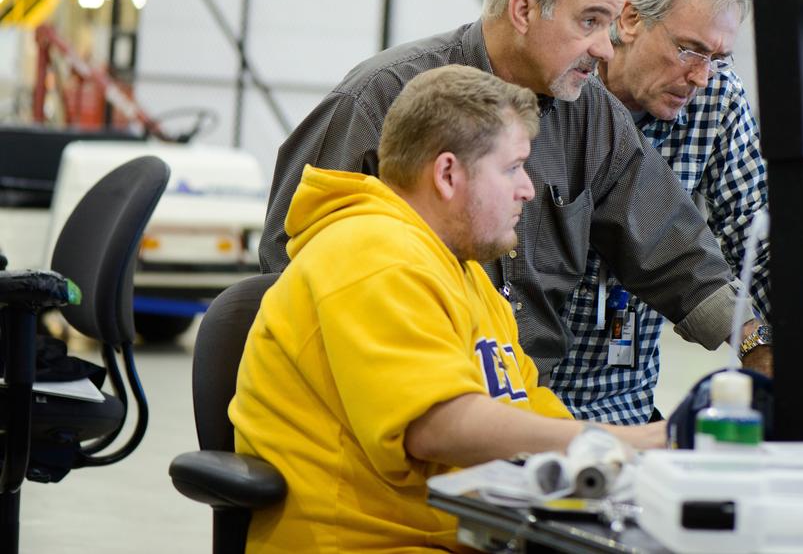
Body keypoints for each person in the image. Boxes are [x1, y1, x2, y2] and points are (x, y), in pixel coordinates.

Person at [258, 0, 768, 382]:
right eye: (590, 22)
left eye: (607, 26)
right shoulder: (381, 97)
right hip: (399, 386)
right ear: (523, 11)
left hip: (521, 396)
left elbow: (669, 241)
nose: (605, 49)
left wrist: (754, 342)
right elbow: (292, 259)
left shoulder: (588, 112)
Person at [231, 65, 665, 553]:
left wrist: (635, 451)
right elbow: (439, 427)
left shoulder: (462, 273)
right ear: (447, 173)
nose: (527, 189)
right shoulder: (372, 255)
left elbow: (526, 404)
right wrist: (626, 442)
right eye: (512, 168)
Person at [548, 0, 771, 423]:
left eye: (718, 57)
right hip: (527, 402)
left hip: (624, 405)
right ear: (629, 20)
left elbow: (755, 234)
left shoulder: (716, 100)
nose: (701, 77)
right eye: (690, 50)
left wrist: (779, 347)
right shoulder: (560, 84)